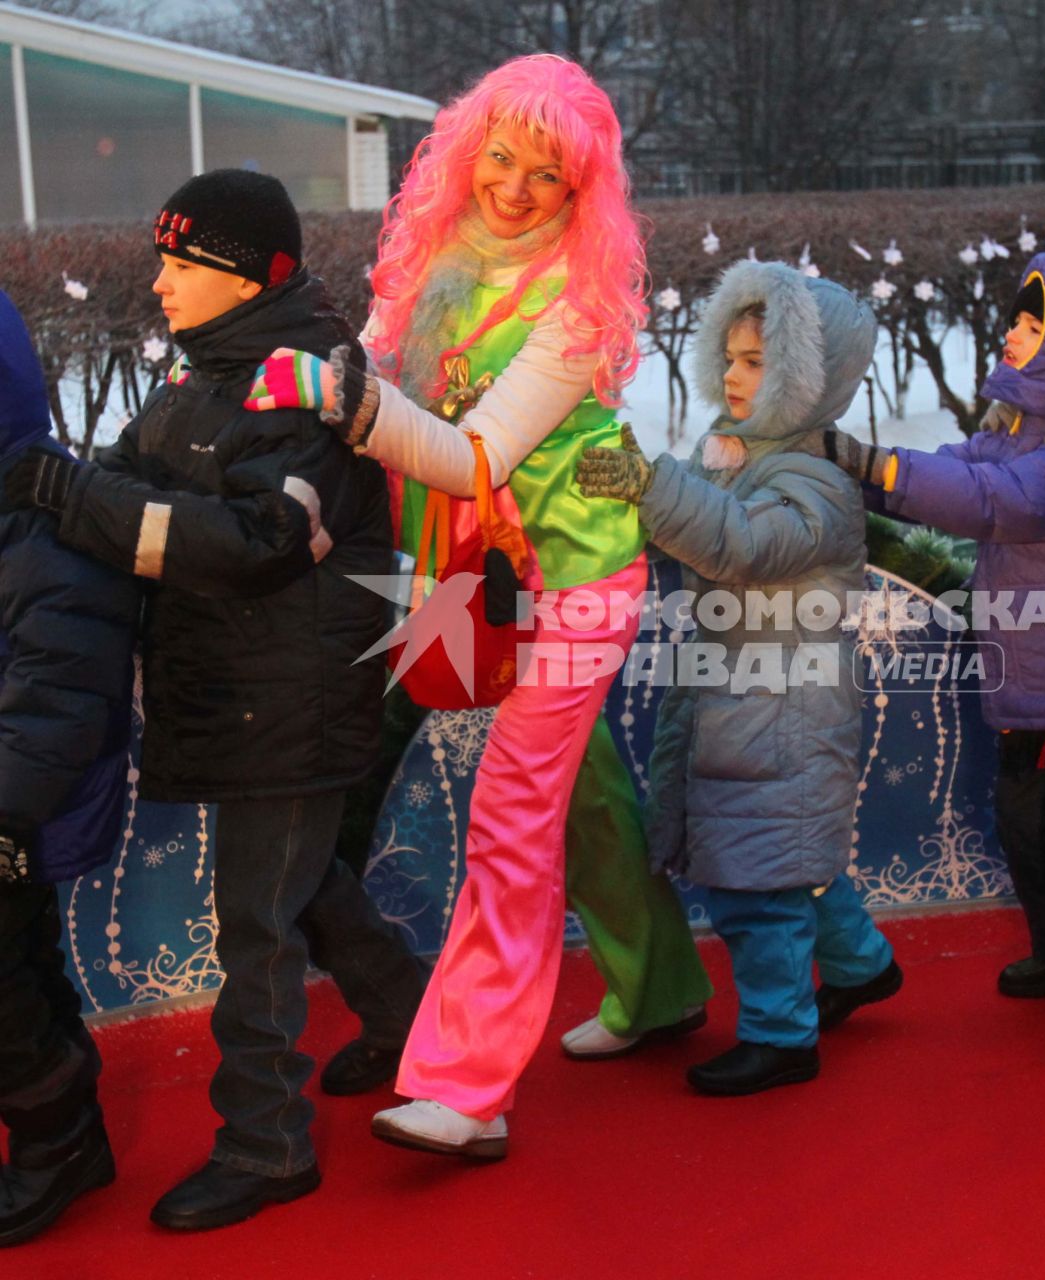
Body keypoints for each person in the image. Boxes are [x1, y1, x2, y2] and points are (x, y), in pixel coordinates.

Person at [249, 54, 710, 1155]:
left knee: (511, 809)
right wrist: (264, 387)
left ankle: (465, 1087)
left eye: (545, 176)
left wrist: (345, 402)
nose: (513, 186)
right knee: (583, 793)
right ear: (469, 150)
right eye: (501, 157)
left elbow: (475, 452)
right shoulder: (438, 258)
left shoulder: (578, 299)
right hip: (474, 571)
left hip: (581, 579)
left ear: (579, 193)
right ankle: (660, 987)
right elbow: (371, 360)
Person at [4, 170, 429, 1229]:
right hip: (246, 698)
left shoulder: (302, 392)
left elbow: (255, 543)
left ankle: (268, 1142)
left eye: (180, 264)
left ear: (248, 278)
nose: (157, 282)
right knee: (303, 882)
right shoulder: (198, 382)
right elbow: (117, 482)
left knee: (258, 923)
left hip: (292, 701)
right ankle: (412, 1019)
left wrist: (65, 491)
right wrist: (64, 493)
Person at [805, 253, 1045, 1072]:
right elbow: (965, 470)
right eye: (1016, 318)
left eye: (1031, 323)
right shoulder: (1015, 430)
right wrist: (864, 477)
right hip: (1039, 678)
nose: (1011, 333)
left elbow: (1001, 503)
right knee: (1026, 829)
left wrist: (879, 467)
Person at [577, 260, 902, 1095]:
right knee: (793, 857)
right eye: (730, 357)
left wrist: (654, 488)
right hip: (743, 697)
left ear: (807, 378)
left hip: (783, 710)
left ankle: (781, 1035)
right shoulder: (737, 451)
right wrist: (636, 496)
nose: (732, 374)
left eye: (757, 362)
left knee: (758, 881)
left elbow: (743, 545)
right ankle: (862, 965)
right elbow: (700, 527)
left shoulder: (816, 481)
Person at [0, 292, 140, 1246]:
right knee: (19, 965)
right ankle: (68, 1125)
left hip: (17, 803)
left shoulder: (42, 513)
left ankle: (55, 1138)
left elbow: (59, 690)